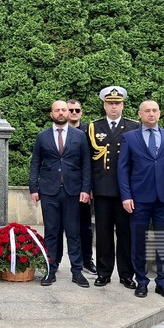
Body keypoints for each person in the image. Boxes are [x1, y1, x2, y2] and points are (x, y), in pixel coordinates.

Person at [118, 100, 164, 299]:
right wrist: (126, 195)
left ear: (160, 113)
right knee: (139, 241)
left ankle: (163, 283)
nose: (151, 114)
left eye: (154, 110)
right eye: (147, 111)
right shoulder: (129, 138)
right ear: (140, 114)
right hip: (138, 199)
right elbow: (123, 170)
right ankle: (142, 281)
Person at [29, 100, 93, 288]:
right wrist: (34, 188)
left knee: (74, 232)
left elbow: (86, 164)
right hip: (49, 192)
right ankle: (50, 269)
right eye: (57, 110)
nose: (61, 113)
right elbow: (35, 163)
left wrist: (85, 189)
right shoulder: (42, 136)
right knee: (51, 232)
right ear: (51, 114)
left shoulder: (80, 136)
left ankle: (77, 271)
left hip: (73, 192)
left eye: (64, 110)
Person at [87, 86, 139, 289]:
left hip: (126, 191)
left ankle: (126, 274)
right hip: (102, 188)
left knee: (126, 234)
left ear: (123, 105)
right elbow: (88, 161)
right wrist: (89, 186)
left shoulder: (133, 127)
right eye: (110, 103)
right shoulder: (94, 127)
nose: (114, 107)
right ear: (104, 105)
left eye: (117, 103)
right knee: (103, 233)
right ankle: (104, 272)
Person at [65, 99, 95, 275]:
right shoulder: (58, 131)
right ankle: (55, 260)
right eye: (71, 110)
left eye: (77, 110)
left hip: (82, 187)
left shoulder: (89, 132)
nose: (74, 113)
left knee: (85, 227)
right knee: (59, 227)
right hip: (62, 187)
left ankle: (86, 260)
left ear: (81, 112)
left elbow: (91, 162)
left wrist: (89, 187)